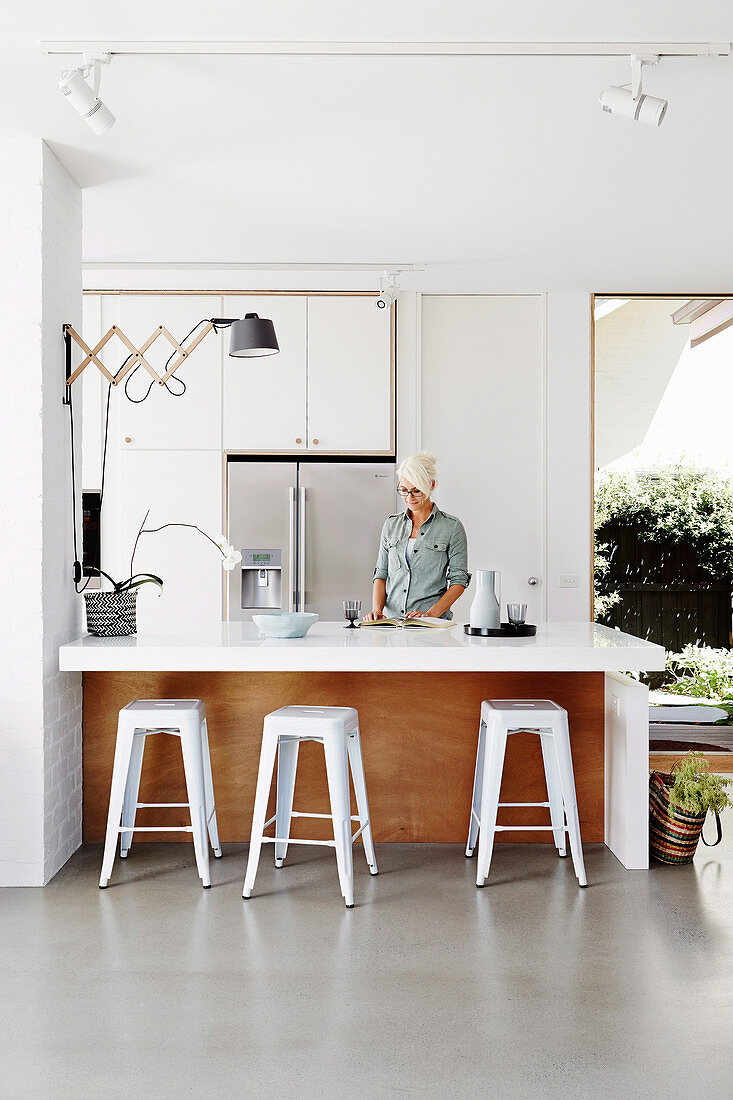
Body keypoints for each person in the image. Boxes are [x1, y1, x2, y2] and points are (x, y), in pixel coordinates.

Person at [365, 452, 470, 621]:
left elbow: (459, 581)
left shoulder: (452, 527)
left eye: (416, 491)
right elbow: (381, 574)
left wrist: (429, 615)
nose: (409, 498)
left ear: (431, 485)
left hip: (432, 624)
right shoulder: (391, 525)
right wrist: (377, 610)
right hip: (393, 623)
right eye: (404, 490)